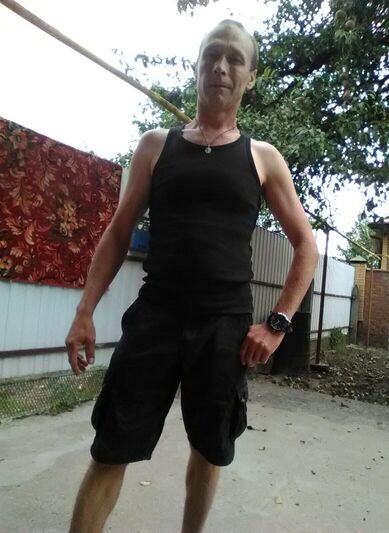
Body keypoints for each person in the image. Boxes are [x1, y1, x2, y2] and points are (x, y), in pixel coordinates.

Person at [65, 19, 319, 533]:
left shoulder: (262, 158)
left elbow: (305, 246)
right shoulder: (156, 146)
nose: (221, 66)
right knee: (111, 445)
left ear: (251, 77)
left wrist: (277, 324)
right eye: (211, 55)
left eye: (234, 59)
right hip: (156, 317)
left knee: (209, 450)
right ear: (197, 66)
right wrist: (84, 310)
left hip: (224, 328)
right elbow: (118, 233)